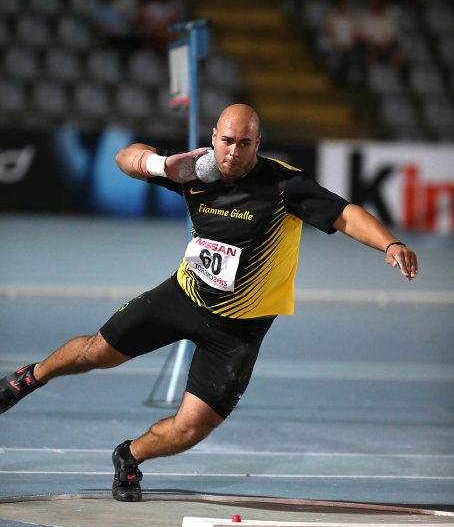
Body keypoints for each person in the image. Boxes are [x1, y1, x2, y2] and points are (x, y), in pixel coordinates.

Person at [0, 104, 418, 502]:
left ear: (258, 144)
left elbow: (345, 215)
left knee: (191, 427)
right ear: (213, 137)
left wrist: (390, 242)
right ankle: (29, 378)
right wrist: (161, 165)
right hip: (183, 295)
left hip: (238, 328)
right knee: (98, 351)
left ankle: (130, 456)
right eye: (228, 140)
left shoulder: (284, 184)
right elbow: (125, 158)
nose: (233, 152)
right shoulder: (194, 170)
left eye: (245, 144)